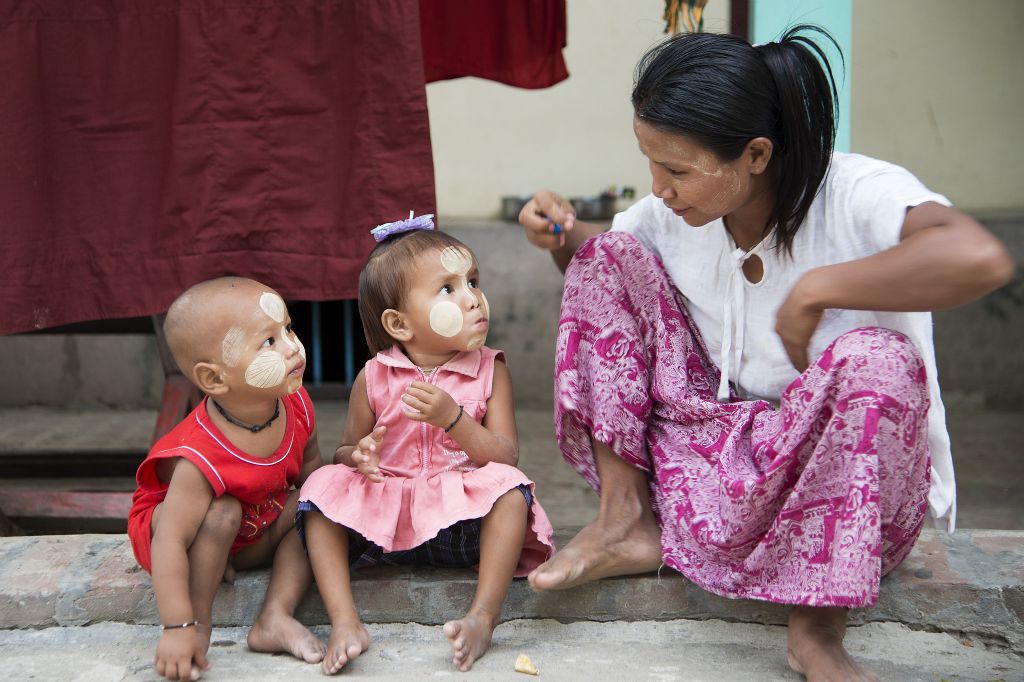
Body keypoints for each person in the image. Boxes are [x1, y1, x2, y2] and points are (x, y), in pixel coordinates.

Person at [517, 26, 1014, 682]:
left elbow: (980, 257)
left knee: (879, 359)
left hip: (844, 499)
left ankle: (816, 629)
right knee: (604, 255)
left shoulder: (856, 192)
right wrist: (557, 233)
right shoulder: (673, 212)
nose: (659, 188)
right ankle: (626, 520)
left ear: (755, 154)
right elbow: (606, 276)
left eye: (677, 169)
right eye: (651, 163)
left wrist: (822, 289)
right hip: (710, 478)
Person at [297, 215, 555, 674]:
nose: (473, 298)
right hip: (383, 527)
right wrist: (359, 458)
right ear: (398, 323)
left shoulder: (491, 369)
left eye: (473, 282)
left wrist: (453, 419)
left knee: (512, 491)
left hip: (461, 526)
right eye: (448, 289)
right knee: (320, 487)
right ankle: (344, 621)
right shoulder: (373, 375)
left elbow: (505, 455)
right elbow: (345, 450)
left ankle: (482, 619)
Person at [127, 277, 326, 681]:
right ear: (215, 380)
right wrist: (176, 626)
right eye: (268, 342)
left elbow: (313, 472)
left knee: (320, 499)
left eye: (288, 329)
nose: (292, 347)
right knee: (220, 511)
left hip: (254, 526)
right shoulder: (200, 457)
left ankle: (275, 616)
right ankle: (198, 627)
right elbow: (170, 542)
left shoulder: (297, 404)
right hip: (180, 533)